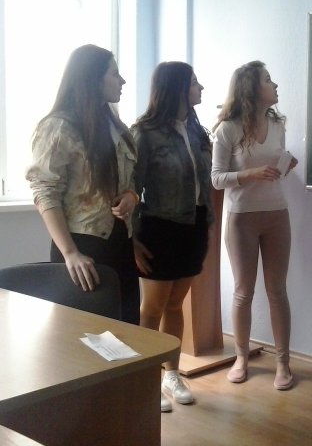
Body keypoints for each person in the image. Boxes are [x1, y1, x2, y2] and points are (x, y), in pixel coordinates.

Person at [26, 44, 140, 324]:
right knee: (84, 334)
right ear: (93, 78)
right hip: (82, 247)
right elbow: (45, 192)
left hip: (120, 243)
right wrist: (70, 254)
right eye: (115, 74)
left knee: (127, 330)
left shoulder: (115, 126)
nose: (123, 81)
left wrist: (131, 196)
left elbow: (130, 180)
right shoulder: (58, 127)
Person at [131, 61, 214, 413]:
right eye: (194, 82)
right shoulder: (145, 133)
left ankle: (172, 374)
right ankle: (145, 380)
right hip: (159, 228)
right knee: (152, 308)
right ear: (176, 88)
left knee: (176, 305)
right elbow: (132, 188)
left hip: (194, 226)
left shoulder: (197, 131)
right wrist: (132, 239)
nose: (200, 88)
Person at [211, 60, 297, 391]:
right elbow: (217, 179)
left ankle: (283, 364)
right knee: (243, 291)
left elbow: (274, 170)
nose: (275, 85)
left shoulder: (277, 124)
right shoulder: (228, 129)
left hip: (277, 214)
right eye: (268, 80)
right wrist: (251, 174)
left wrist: (285, 166)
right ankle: (241, 358)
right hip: (241, 218)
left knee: (278, 291)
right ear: (251, 88)